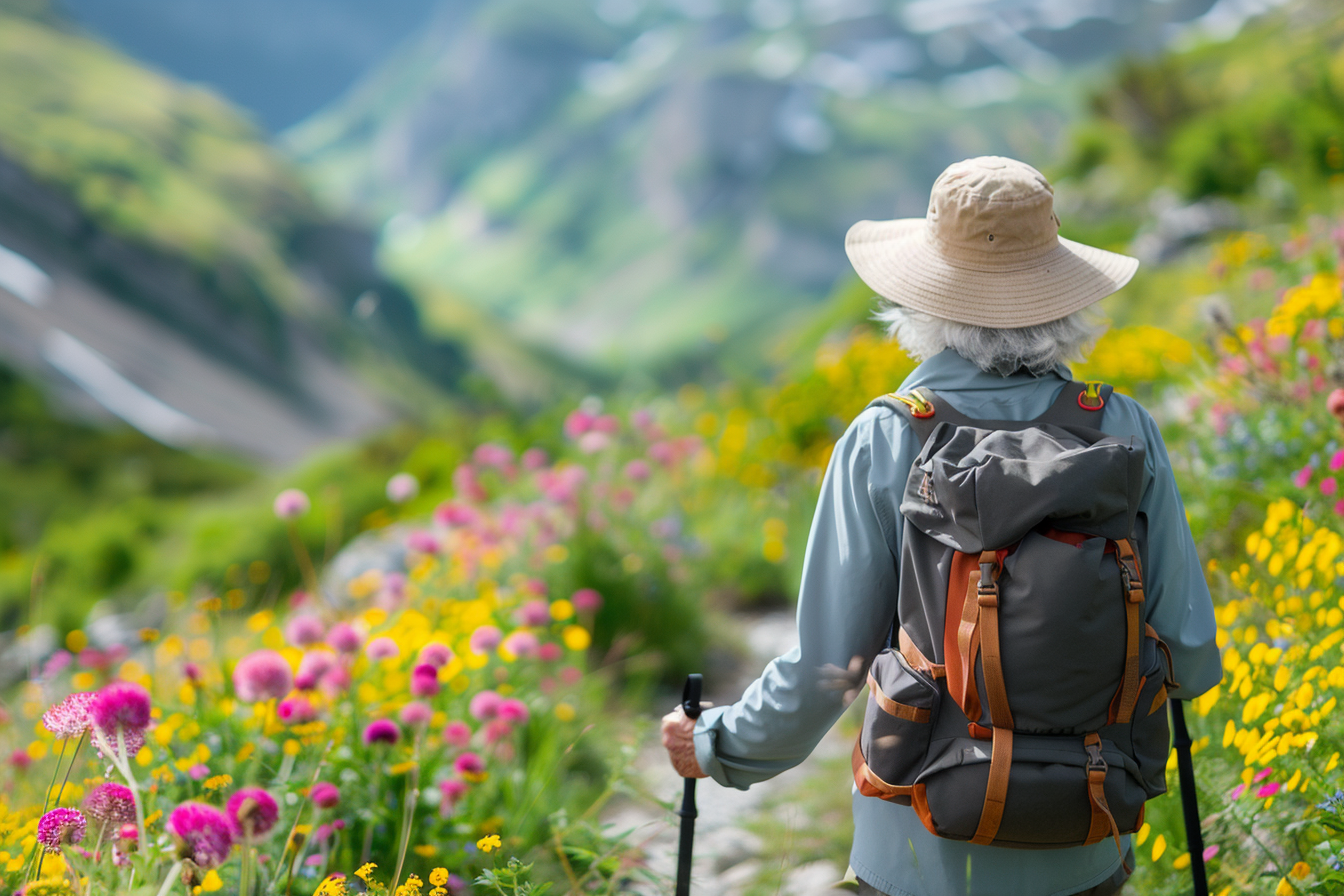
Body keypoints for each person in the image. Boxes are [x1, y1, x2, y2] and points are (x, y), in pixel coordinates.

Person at [660, 156, 1222, 896]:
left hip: (917, 849)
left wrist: (718, 744)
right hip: (1086, 837)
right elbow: (1188, 653)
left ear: (925, 297)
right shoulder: (1121, 428)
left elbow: (832, 669)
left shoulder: (886, 437)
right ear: (1061, 292)